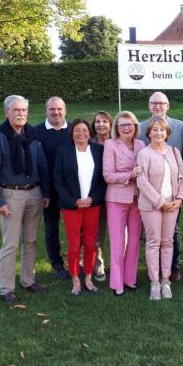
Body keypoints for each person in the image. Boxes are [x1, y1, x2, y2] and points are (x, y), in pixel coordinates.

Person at [0, 95, 50, 305]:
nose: (21, 114)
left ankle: (28, 280)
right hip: (11, 195)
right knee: (10, 244)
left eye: (24, 110)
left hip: (35, 193)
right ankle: (6, 289)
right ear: (7, 112)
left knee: (30, 240)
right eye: (16, 110)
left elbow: (42, 165)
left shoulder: (33, 133)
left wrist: (46, 193)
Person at [139, 92, 183, 282]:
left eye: (162, 103)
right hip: (150, 195)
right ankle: (154, 272)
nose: (158, 106)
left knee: (172, 233)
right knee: (152, 238)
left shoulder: (180, 126)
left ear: (168, 105)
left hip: (174, 194)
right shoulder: (141, 127)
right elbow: (140, 158)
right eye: (154, 103)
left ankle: (173, 268)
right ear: (149, 106)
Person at [53, 119, 106, 296]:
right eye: (77, 130)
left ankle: (89, 278)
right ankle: (75, 278)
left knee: (91, 243)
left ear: (89, 132)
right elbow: (58, 180)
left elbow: (102, 180)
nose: (81, 133)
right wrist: (73, 201)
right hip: (71, 207)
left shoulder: (98, 150)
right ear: (72, 133)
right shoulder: (63, 151)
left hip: (92, 205)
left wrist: (93, 198)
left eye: (84, 130)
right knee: (74, 245)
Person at [103, 111, 146, 296]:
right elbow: (107, 175)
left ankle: (130, 279)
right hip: (116, 199)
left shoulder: (141, 144)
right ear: (116, 128)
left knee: (135, 241)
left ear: (135, 126)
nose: (126, 128)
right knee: (118, 242)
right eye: (122, 125)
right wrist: (129, 175)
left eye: (130, 124)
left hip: (137, 199)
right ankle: (117, 282)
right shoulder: (110, 144)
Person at [32, 96, 71, 280]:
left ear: (65, 110)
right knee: (51, 227)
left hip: (72, 190)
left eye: (59, 109)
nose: (56, 112)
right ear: (45, 111)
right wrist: (44, 190)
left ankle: (76, 262)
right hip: (49, 190)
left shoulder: (74, 130)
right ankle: (56, 264)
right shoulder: (36, 132)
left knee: (75, 228)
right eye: (52, 109)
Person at [89, 110, 113, 282]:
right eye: (98, 121)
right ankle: (98, 265)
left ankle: (121, 265)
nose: (101, 124)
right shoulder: (88, 144)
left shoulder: (118, 143)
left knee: (121, 233)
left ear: (111, 125)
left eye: (105, 121)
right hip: (96, 194)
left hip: (116, 194)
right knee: (97, 232)